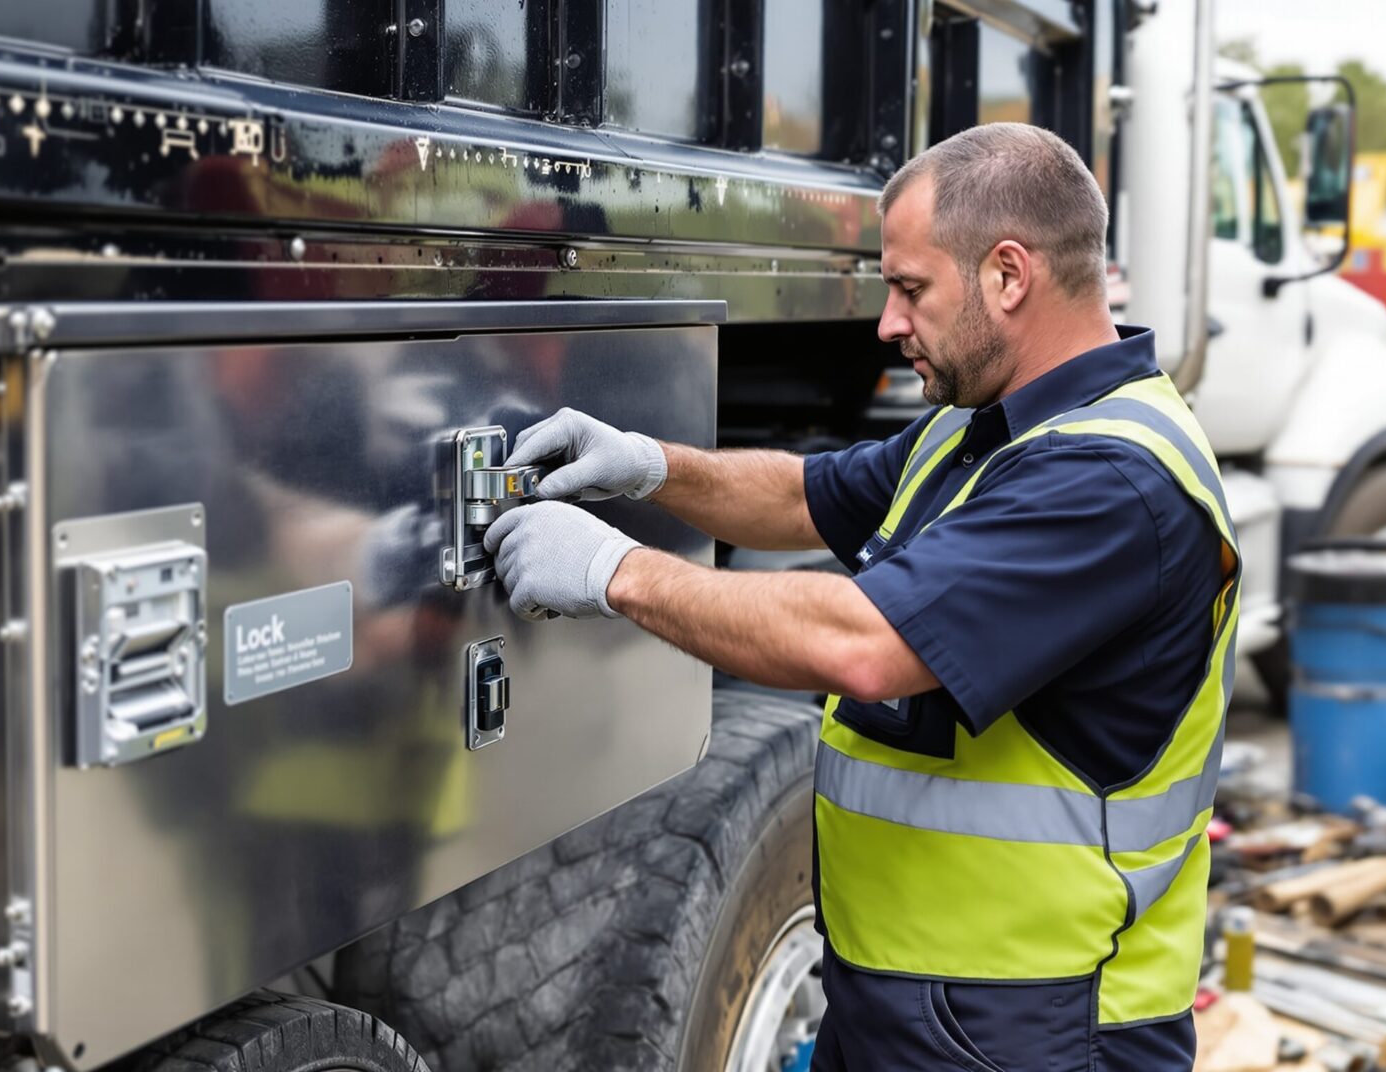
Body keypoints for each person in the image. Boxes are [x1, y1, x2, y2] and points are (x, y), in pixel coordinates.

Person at [484, 123, 1239, 1071]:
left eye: (910, 288)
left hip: (1038, 1029)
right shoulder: (985, 431)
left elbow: (863, 645)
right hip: (915, 1002)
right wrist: (643, 468)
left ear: (1009, 276)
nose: (886, 321)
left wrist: (613, 571)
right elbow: (802, 495)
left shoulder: (1111, 480)